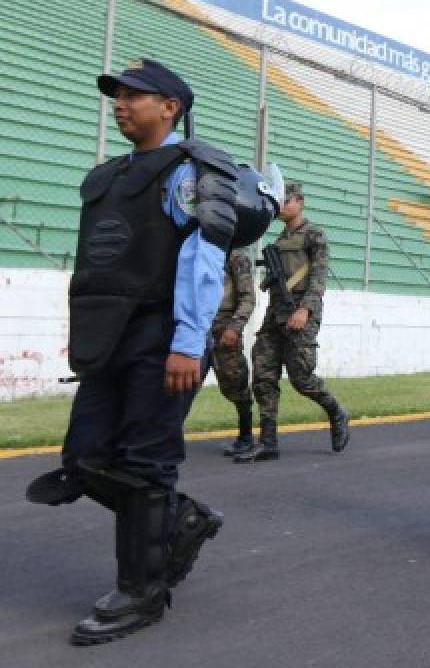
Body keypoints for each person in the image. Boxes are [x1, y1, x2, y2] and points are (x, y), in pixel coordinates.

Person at [24, 59, 277, 644]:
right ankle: (183, 518)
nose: (120, 102)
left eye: (134, 94)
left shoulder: (190, 172)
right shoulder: (108, 176)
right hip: (110, 338)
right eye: (116, 93)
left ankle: (141, 592)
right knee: (84, 458)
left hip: (165, 337)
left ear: (170, 107)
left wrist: (188, 344)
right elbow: (101, 264)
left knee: (143, 464)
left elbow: (200, 260)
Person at [238, 182, 350, 462]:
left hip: (300, 311)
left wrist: (306, 310)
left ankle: (336, 412)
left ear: (299, 202)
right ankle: (268, 441)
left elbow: (319, 276)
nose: (281, 206)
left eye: (286, 201)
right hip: (275, 314)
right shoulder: (277, 242)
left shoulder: (314, 235)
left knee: (302, 378)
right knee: (263, 374)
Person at [211, 247, 257, 458]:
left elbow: (247, 297)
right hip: (196, 325)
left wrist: (235, 327)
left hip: (224, 327)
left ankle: (246, 436)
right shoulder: (199, 248)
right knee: (182, 385)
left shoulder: (236, 255)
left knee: (235, 382)